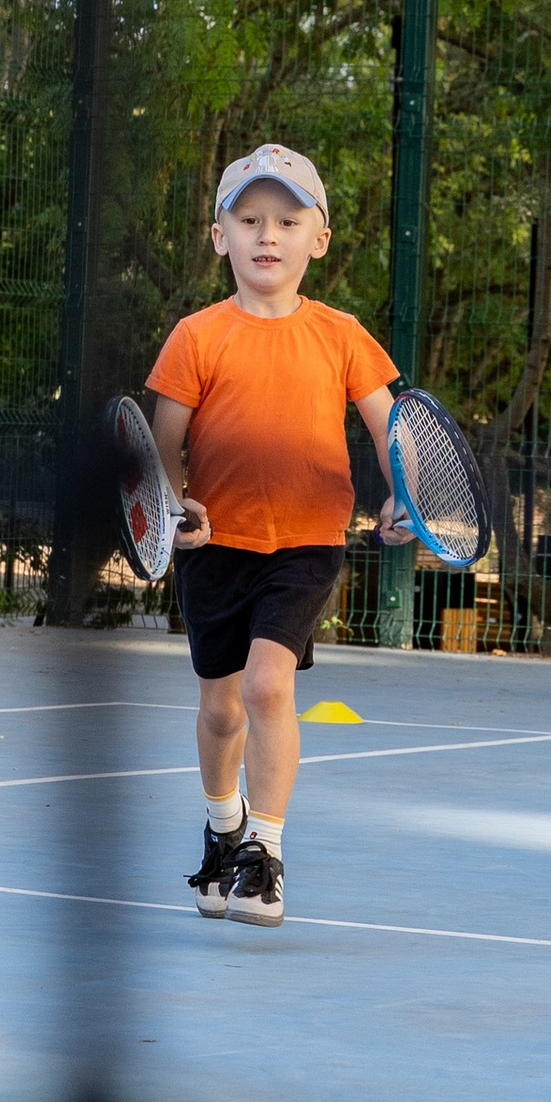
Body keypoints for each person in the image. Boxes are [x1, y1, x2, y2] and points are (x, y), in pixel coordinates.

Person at [145, 141, 404, 929]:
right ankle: (224, 832)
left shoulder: (341, 335)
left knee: (267, 686)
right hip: (216, 547)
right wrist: (172, 507)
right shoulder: (195, 335)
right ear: (218, 235)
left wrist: (405, 497)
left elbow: (393, 427)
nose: (268, 234)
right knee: (221, 706)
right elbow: (161, 449)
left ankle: (267, 851)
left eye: (288, 220)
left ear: (316, 240)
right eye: (249, 218)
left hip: (306, 541)